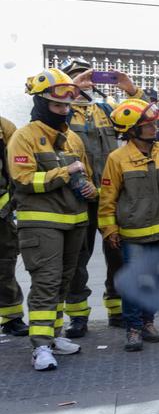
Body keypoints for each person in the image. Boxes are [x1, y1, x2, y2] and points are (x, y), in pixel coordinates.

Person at [7, 69, 98, 371]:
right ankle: (41, 347)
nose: (64, 111)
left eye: (67, 106)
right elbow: (22, 180)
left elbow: (85, 173)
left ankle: (54, 335)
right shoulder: (24, 136)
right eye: (58, 106)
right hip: (41, 223)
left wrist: (89, 187)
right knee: (46, 283)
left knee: (63, 280)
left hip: (74, 221)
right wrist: (65, 173)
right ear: (41, 103)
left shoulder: (72, 137)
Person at [99, 98, 159, 351]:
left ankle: (148, 322)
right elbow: (107, 198)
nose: (156, 128)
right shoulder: (117, 158)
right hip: (134, 233)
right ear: (132, 130)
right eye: (149, 125)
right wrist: (109, 229)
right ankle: (133, 328)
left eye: (154, 123)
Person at [61, 58, 141, 337]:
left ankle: (117, 309)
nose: (87, 81)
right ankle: (79, 317)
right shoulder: (61, 112)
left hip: (110, 196)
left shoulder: (105, 109)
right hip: (78, 198)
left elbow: (142, 118)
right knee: (77, 259)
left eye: (89, 77)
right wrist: (70, 90)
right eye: (78, 77)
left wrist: (131, 91)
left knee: (117, 254)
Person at [0, 115, 28, 336]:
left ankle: (11, 318)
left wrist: (10, 204)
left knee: (4, 266)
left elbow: (15, 169)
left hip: (1, 213)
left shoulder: (4, 126)